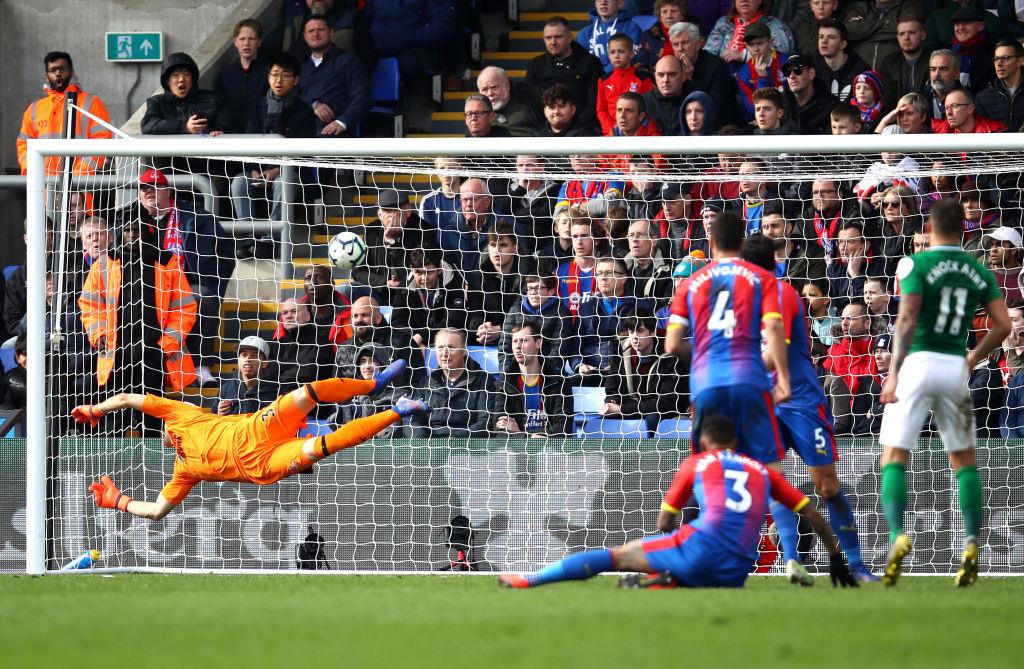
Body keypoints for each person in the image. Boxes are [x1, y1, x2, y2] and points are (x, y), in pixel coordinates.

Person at [499, 414, 856, 589]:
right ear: (735, 442)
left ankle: (529, 580)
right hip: (736, 572)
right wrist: (836, 557)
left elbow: (664, 522)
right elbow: (813, 515)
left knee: (618, 555)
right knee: (686, 561)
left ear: (704, 440)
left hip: (701, 548)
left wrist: (674, 531)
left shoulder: (696, 462)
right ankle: (667, 579)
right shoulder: (763, 470)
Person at [78, 361, 427, 519]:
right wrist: (118, 500)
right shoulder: (184, 468)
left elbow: (125, 399)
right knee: (326, 443)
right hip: (262, 464)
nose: (168, 437)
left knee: (309, 393)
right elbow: (156, 511)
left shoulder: (181, 419)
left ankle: (374, 386)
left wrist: (96, 409)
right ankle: (398, 409)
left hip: (257, 430)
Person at [878, 197, 1010, 587]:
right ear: (963, 229)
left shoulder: (916, 264)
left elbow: (906, 319)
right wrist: (973, 357)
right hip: (955, 366)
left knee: (895, 455)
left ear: (930, 228)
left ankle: (897, 535)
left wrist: (893, 374)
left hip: (917, 363)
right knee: (964, 461)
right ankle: (971, 544)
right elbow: (1003, 325)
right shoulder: (978, 270)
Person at [742, 235, 877, 583]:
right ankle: (792, 560)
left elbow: (775, 348)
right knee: (773, 481)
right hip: (767, 402)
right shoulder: (743, 302)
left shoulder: (783, 294)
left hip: (800, 400)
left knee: (827, 487)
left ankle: (856, 563)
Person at [666, 210, 790, 463]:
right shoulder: (761, 279)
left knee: (706, 466)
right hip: (748, 379)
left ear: (711, 242)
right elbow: (774, 328)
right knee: (764, 466)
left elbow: (672, 345)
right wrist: (784, 379)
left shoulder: (690, 284)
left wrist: (704, 356)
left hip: (706, 382)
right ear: (742, 242)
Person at [114, 169, 236, 384]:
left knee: (203, 296)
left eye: (156, 187)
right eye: (145, 188)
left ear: (168, 191)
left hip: (184, 283)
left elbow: (224, 254)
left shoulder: (196, 217)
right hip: (141, 283)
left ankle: (200, 365)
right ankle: (130, 365)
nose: (150, 192)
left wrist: (206, 278)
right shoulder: (127, 217)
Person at [79, 215, 198, 426]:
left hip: (153, 351)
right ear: (119, 233)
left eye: (138, 230)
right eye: (128, 230)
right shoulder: (103, 264)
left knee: (151, 419)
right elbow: (90, 306)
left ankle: (151, 448)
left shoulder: (166, 261)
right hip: (116, 351)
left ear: (148, 232)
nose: (133, 235)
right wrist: (99, 335)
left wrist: (166, 344)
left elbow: (184, 308)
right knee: (114, 421)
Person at [229, 52, 317, 226]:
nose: (279, 80)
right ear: (268, 77)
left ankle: (273, 236)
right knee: (239, 182)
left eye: (285, 75)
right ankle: (247, 234)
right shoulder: (257, 106)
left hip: (291, 172)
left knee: (282, 182)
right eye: (275, 74)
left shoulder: (304, 111)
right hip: (259, 170)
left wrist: (277, 170)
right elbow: (248, 141)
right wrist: (253, 170)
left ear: (296, 80)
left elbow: (305, 153)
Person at [17, 51, 111, 176]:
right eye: (53, 70)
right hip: (43, 184)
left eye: (62, 69)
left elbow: (101, 141)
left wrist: (78, 179)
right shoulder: (34, 109)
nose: (58, 73)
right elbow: (24, 145)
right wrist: (34, 173)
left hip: (80, 184)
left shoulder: (92, 103)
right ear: (46, 76)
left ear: (72, 72)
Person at [351, 188, 433, 305]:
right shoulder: (371, 231)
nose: (392, 216)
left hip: (411, 292)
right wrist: (384, 282)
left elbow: (418, 272)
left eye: (396, 210)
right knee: (346, 289)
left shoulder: (424, 230)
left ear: (408, 212)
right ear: (380, 215)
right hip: (379, 290)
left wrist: (392, 243)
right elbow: (358, 272)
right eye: (387, 211)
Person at [491, 321, 571, 437]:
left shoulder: (559, 381)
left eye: (524, 340)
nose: (518, 346)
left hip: (549, 446)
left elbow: (563, 429)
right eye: (514, 341)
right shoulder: (504, 384)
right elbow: (499, 430)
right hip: (518, 447)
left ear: (538, 344)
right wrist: (528, 438)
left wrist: (519, 433)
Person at [525, 16, 603, 130]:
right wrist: (549, 128)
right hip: (545, 129)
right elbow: (531, 104)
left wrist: (576, 127)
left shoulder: (591, 63)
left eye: (558, 37)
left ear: (570, 37)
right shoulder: (535, 65)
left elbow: (594, 103)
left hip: (582, 129)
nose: (553, 42)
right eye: (548, 38)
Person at [297, 14, 369, 137]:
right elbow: (293, 96)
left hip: (333, 130)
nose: (316, 34)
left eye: (320, 30)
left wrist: (343, 121)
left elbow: (362, 96)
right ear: (305, 36)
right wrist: (314, 105)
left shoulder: (347, 60)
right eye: (311, 31)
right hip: (301, 128)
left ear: (331, 32)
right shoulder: (300, 64)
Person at [412, 328, 491, 438]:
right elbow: (413, 419)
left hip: (468, 445)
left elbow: (486, 421)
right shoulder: (425, 383)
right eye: (440, 348)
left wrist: (457, 440)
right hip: (430, 445)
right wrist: (421, 443)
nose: (445, 354)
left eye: (451, 347)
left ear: (464, 351)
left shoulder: (484, 381)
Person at [142, 52, 232, 135]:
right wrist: (184, 127)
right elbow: (148, 126)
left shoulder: (214, 99)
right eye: (175, 75)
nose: (181, 79)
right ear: (167, 81)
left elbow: (228, 128)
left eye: (186, 74)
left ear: (192, 80)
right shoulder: (157, 102)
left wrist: (221, 133)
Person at [669, 21, 740, 126]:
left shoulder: (717, 66)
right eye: (675, 44)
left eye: (685, 43)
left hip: (717, 126)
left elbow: (714, 107)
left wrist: (689, 82)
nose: (680, 49)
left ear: (698, 44)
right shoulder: (671, 66)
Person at [215, 19, 270, 134]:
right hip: (231, 134)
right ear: (235, 42)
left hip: (261, 134)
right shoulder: (226, 74)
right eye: (242, 39)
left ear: (259, 42)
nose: (246, 43)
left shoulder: (269, 72)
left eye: (251, 39)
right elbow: (220, 106)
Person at [759, 200, 826, 292]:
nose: (769, 232)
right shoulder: (757, 260)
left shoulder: (811, 257)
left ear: (788, 228)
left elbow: (812, 297)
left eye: (775, 226)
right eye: (765, 227)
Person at [730, 21, 788, 124]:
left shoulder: (786, 61)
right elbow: (752, 110)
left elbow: (796, 98)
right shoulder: (743, 74)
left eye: (760, 43)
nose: (756, 49)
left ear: (771, 42)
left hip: (789, 116)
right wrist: (762, 79)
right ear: (745, 46)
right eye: (751, 44)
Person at [841, 0, 924, 70]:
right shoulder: (861, 6)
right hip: (859, 72)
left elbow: (905, 31)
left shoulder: (910, 5)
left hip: (893, 71)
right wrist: (883, 23)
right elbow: (849, 32)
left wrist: (866, 33)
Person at [596, 33, 654, 135]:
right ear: (608, 55)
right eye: (612, 52)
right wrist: (612, 129)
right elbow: (601, 110)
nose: (616, 56)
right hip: (611, 133)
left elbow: (648, 110)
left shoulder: (643, 79)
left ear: (631, 54)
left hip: (637, 133)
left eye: (621, 51)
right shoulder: (603, 80)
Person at [704, 0, 795, 63]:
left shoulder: (774, 24)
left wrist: (744, 55)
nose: (744, 0)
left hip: (761, 80)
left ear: (760, 1)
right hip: (724, 78)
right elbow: (708, 55)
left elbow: (785, 57)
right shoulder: (724, 23)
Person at [576, 0, 643, 74]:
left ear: (620, 3)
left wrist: (601, 73)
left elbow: (627, 58)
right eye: (599, 0)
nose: (603, 2)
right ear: (595, 4)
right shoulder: (585, 33)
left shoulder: (631, 28)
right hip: (592, 77)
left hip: (620, 77)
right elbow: (581, 61)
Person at [879, 17, 931, 111]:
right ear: (897, 38)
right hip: (897, 115)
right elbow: (886, 99)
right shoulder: (889, 62)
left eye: (911, 32)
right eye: (902, 34)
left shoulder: (934, 60)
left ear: (923, 35)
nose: (906, 38)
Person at [218, 336, 279, 415]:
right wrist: (218, 413)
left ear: (265, 363)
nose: (248, 359)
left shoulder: (276, 391)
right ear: (238, 360)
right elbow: (213, 417)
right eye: (244, 355)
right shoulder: (226, 388)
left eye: (254, 355)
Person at [476, 66, 542, 136]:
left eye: (494, 87)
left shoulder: (530, 97)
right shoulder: (475, 112)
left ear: (507, 86)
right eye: (484, 89)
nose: (490, 93)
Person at [813, 20, 869, 102]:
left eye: (831, 37)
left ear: (842, 44)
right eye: (821, 37)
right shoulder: (813, 70)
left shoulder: (861, 70)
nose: (824, 41)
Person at [782, 52, 838, 134]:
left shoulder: (830, 105)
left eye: (798, 70)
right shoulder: (780, 105)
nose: (791, 76)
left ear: (811, 73)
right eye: (787, 72)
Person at [975, 39, 1024, 131]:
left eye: (1005, 58)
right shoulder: (983, 97)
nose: (999, 64)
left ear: (1020, 61)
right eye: (996, 59)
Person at [642, 54, 693, 135]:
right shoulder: (642, 103)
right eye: (660, 75)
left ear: (683, 76)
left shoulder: (695, 100)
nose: (665, 80)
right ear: (655, 76)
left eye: (672, 74)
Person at [932, 88, 1007, 134]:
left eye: (955, 106)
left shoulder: (995, 133)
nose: (949, 113)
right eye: (946, 108)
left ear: (970, 109)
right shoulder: (937, 133)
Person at [983, 227, 1024, 303]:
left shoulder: (1022, 277)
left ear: (1013, 250)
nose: (993, 249)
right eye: (992, 244)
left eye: (999, 245)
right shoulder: (983, 276)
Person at [925, 50, 964, 121]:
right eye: (933, 69)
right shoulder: (921, 97)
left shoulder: (968, 99)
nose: (937, 74)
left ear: (957, 74)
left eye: (943, 69)